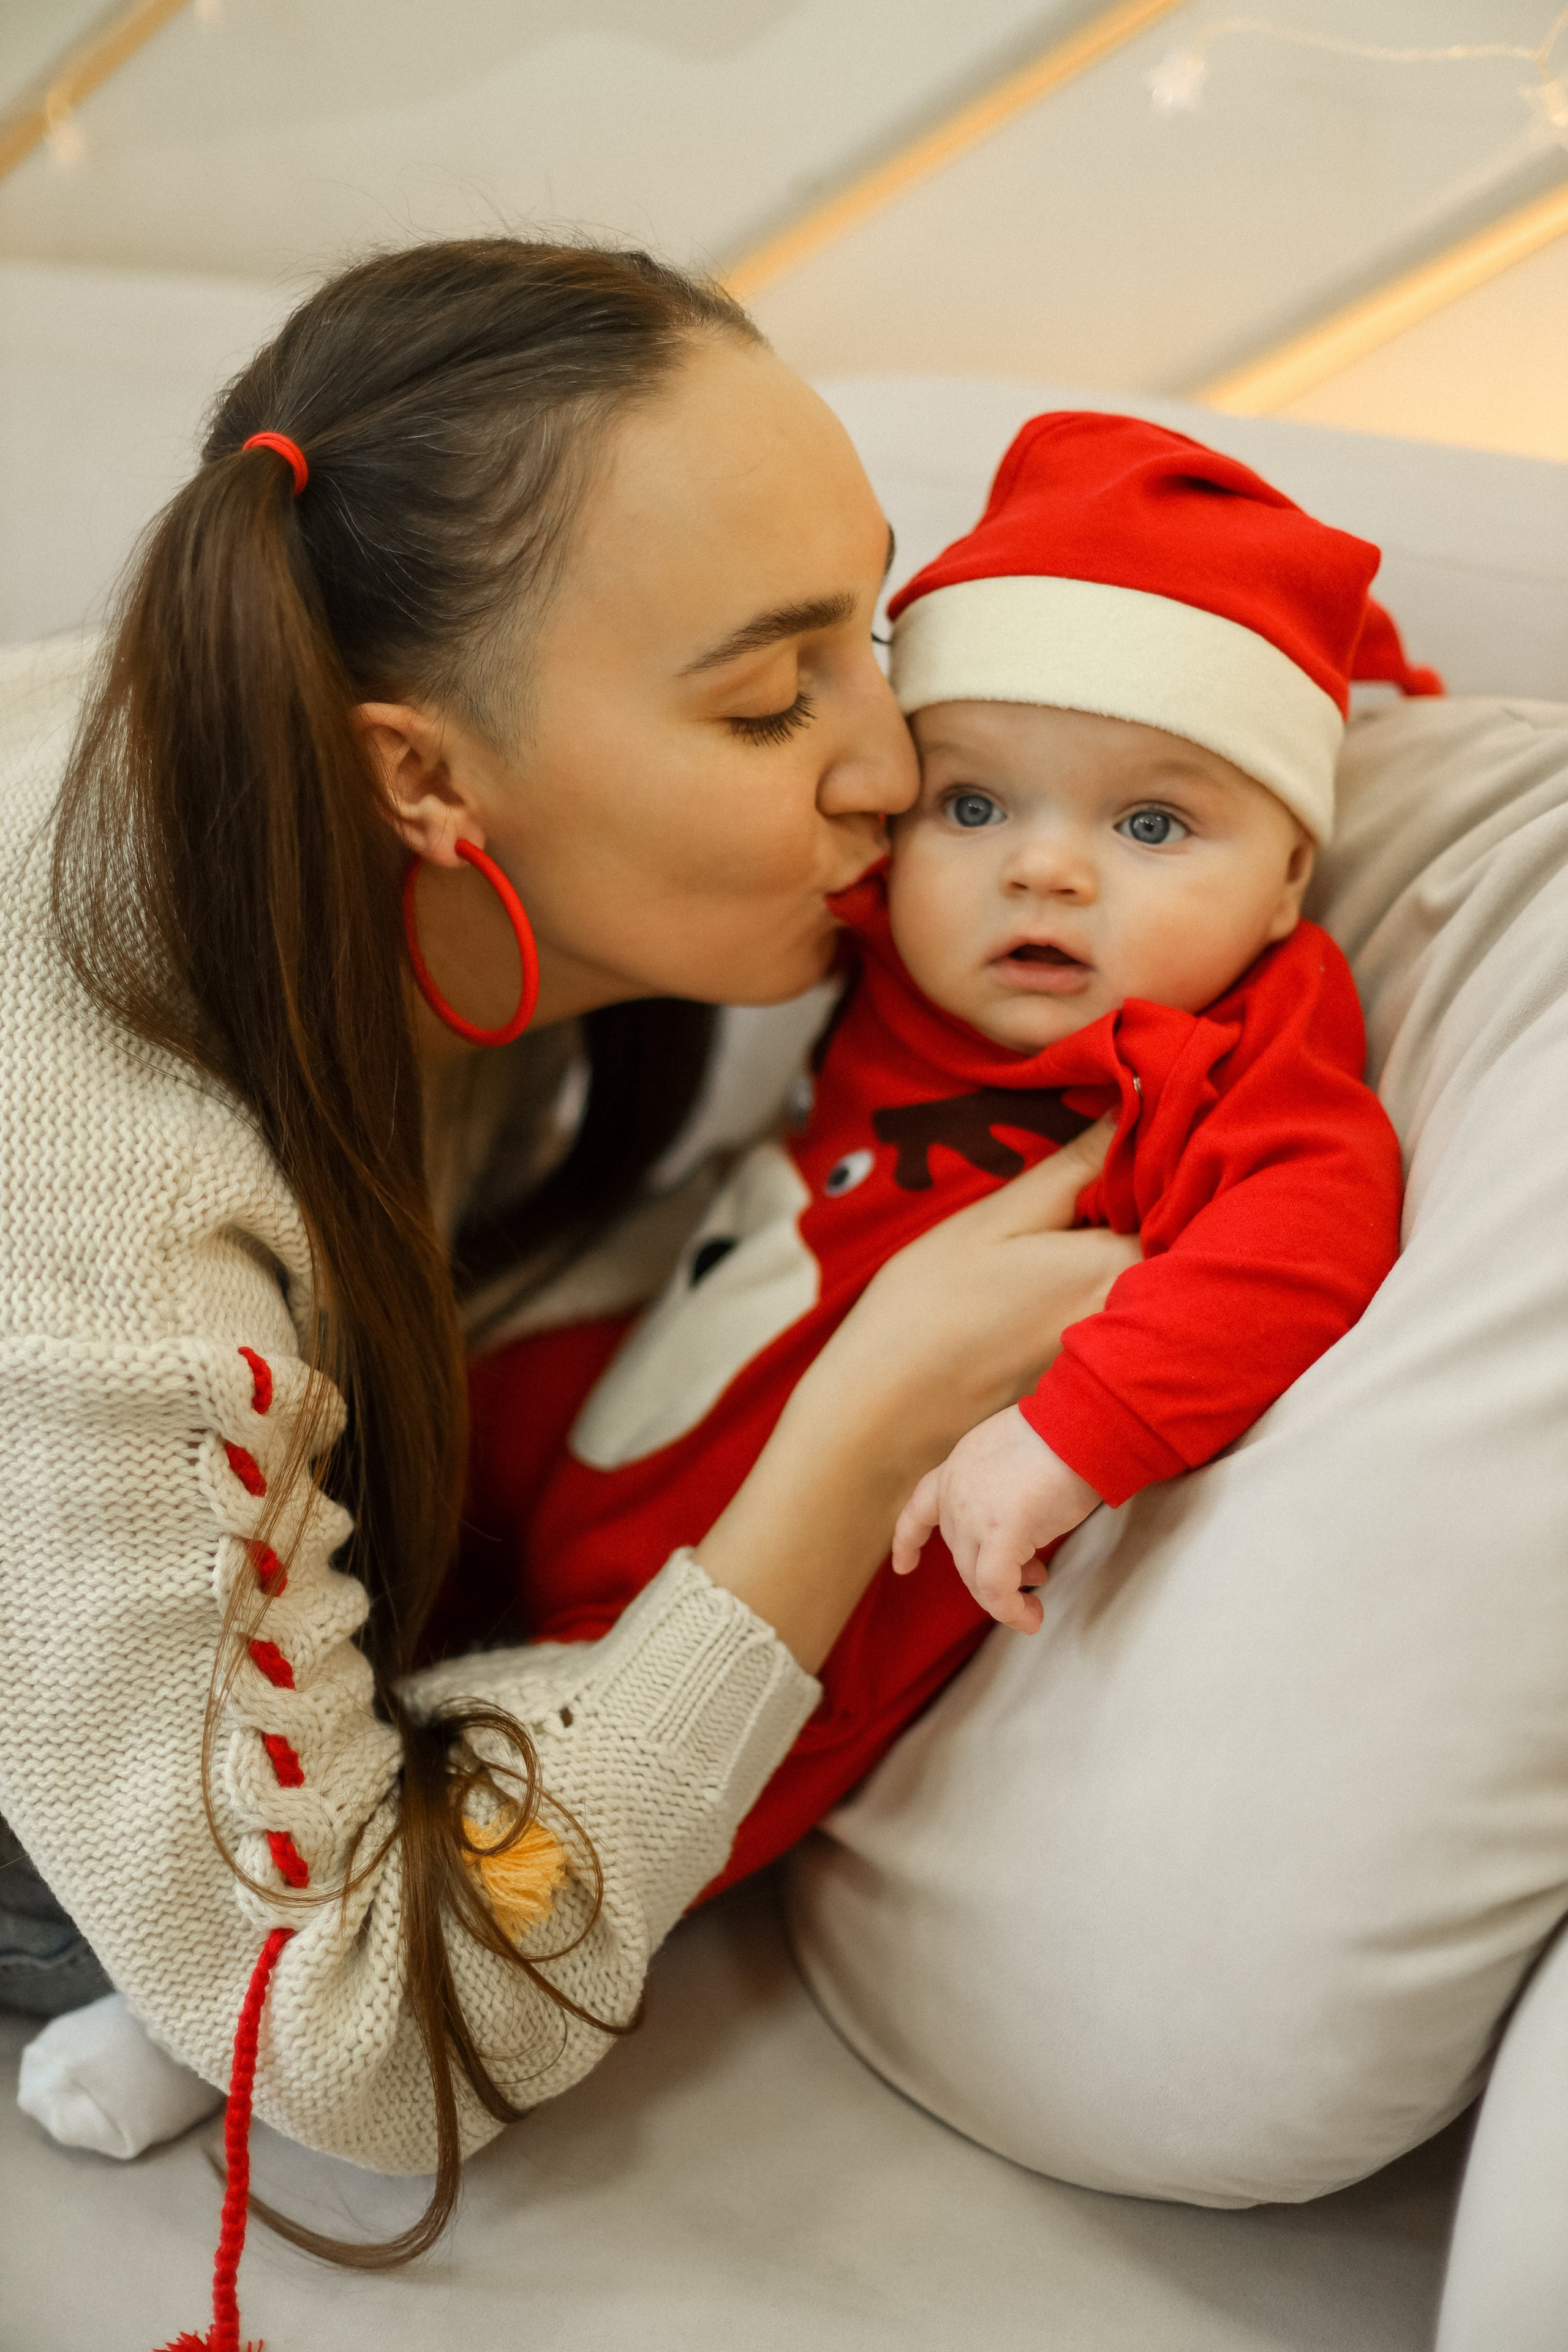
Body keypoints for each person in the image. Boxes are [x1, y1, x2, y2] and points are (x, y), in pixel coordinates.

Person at [0, 239, 1136, 2347]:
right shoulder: (114, 1254)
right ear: (422, 780)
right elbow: (355, 2044)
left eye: (874, 634)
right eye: (771, 698)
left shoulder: (267, 754)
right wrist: (852, 1443)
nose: (895, 768)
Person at [486, 415, 1426, 1896]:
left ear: (1283, 879)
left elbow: (1309, 1224)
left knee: (560, 1861)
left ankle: (351, 1952)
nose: (1041, 868)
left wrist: (1069, 1436)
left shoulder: (1219, 1046)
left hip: (806, 1619)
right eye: (972, 804)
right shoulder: (887, 938)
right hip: (610, 1443)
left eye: (1151, 823)